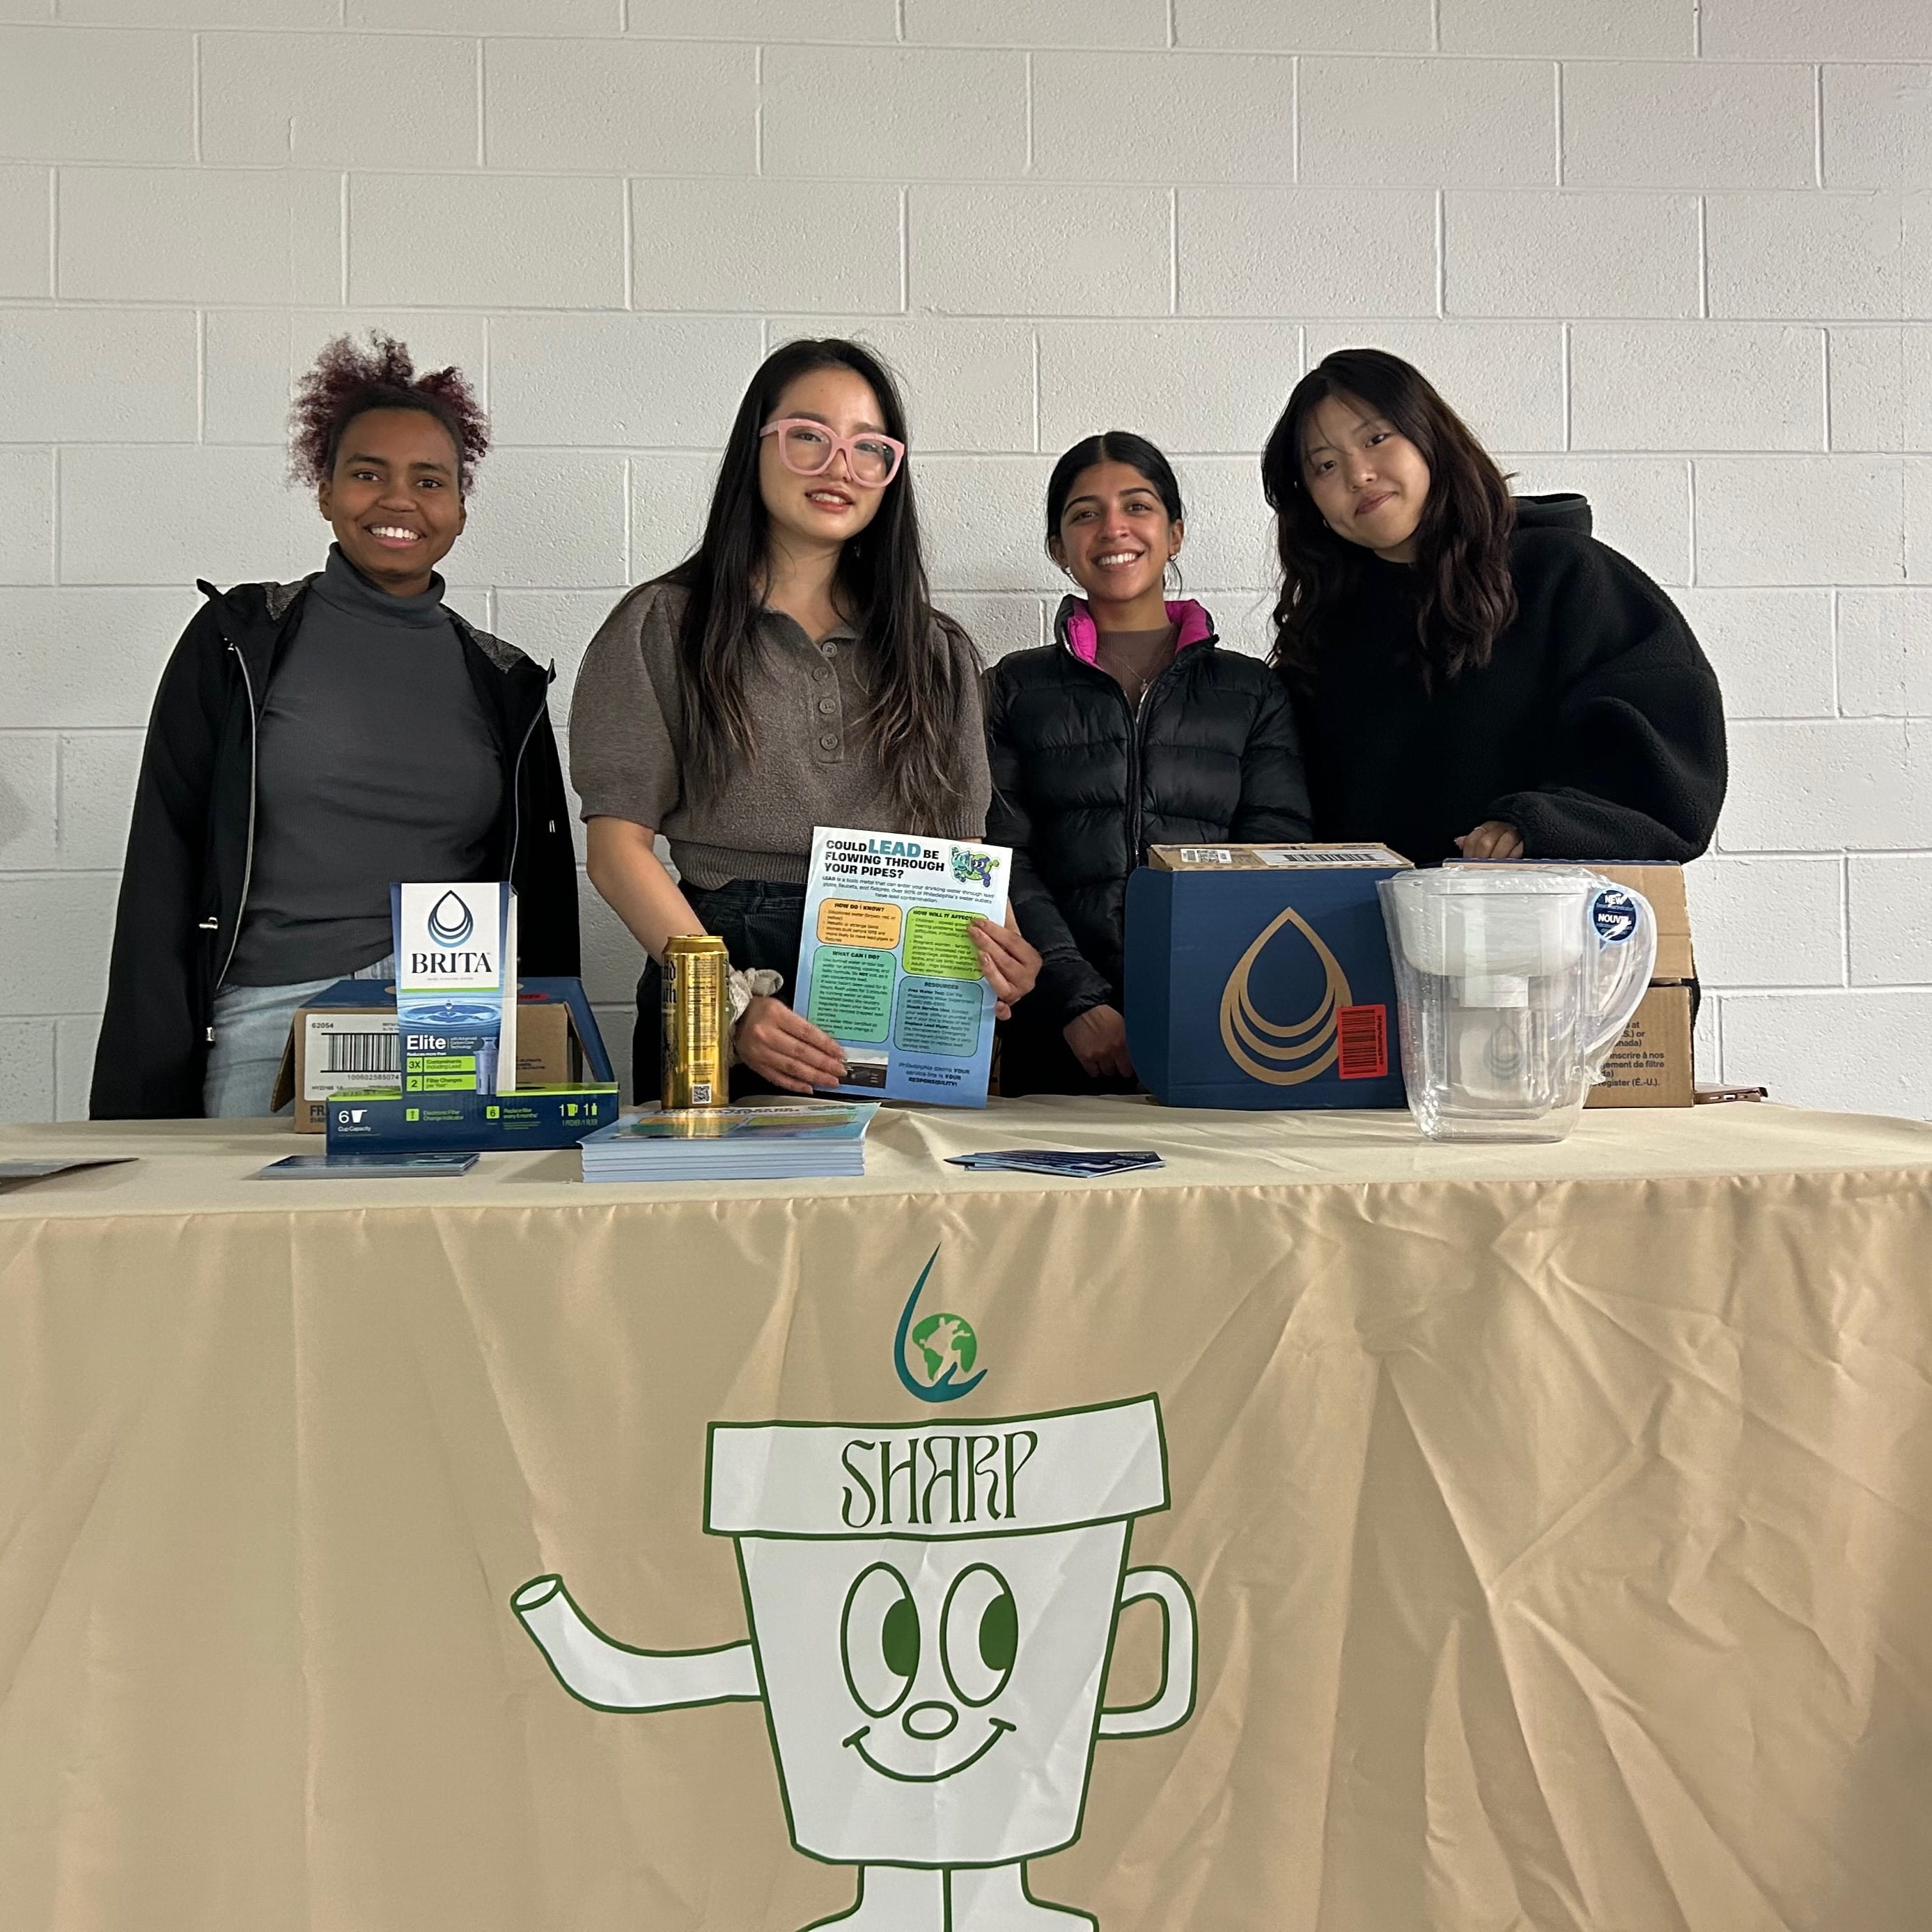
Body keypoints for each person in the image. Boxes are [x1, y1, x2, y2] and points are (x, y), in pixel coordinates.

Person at [91, 333, 579, 1120]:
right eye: (367, 474)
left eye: (429, 480)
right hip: (269, 1019)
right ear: (324, 490)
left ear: (458, 508)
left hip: (449, 1017)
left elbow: (540, 894)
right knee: (252, 1244)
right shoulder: (237, 641)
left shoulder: (503, 680)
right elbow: (165, 859)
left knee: (440, 1245)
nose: (398, 500)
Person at [569, 336, 1038, 1100]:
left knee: (911, 1217)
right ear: (754, 445)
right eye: (808, 437)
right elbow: (617, 851)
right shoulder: (662, 625)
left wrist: (1004, 949)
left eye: (868, 448)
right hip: (721, 962)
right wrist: (727, 1005)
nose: (838, 467)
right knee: (720, 1216)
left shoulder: (934, 649)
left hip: (898, 976)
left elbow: (960, 852)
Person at [1261, 348, 1726, 865]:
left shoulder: (1565, 576)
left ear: (1430, 437)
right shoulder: (1325, 630)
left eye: (1376, 439)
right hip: (1364, 935)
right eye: (1325, 465)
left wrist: (1539, 824)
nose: (1358, 474)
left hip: (1548, 931)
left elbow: (1669, 761)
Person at [985, 433, 1311, 1096]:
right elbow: (1001, 859)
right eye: (1084, 513)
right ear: (1059, 549)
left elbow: (1278, 856)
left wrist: (1191, 1007)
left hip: (1221, 1027)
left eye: (1138, 506)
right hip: (1054, 1041)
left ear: (1176, 533)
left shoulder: (1251, 693)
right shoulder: (1012, 690)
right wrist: (1076, 1001)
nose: (1113, 528)